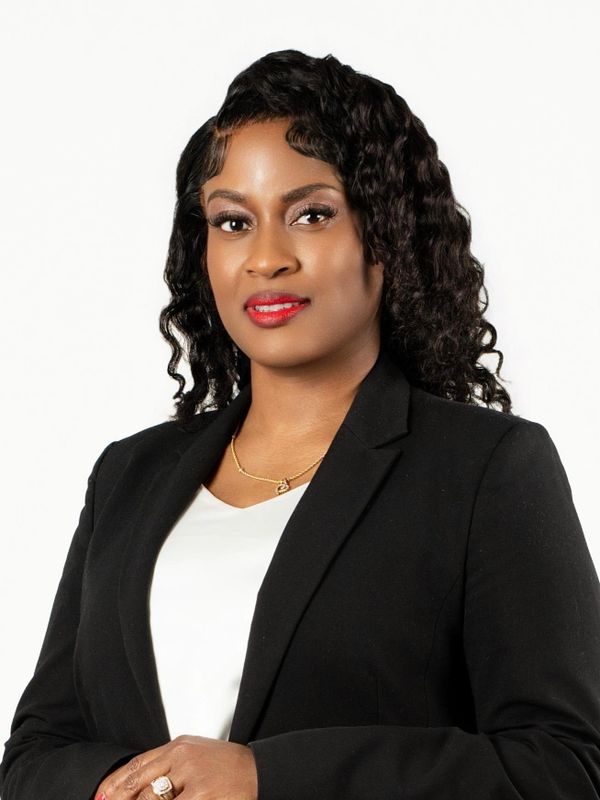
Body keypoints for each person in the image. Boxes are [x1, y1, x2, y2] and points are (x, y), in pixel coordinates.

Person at [1, 48, 599, 800]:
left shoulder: (486, 470)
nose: (266, 259)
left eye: (311, 214)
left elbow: (565, 768)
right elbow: (35, 758)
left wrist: (268, 779)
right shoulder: (128, 475)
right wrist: (122, 789)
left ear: (385, 234)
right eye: (233, 222)